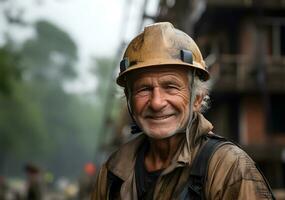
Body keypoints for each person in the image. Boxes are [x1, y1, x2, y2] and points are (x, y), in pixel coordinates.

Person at [92, 22, 275, 199]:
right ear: (129, 100)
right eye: (143, 89)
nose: (156, 103)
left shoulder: (229, 169)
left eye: (170, 87)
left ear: (197, 99)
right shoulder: (113, 173)